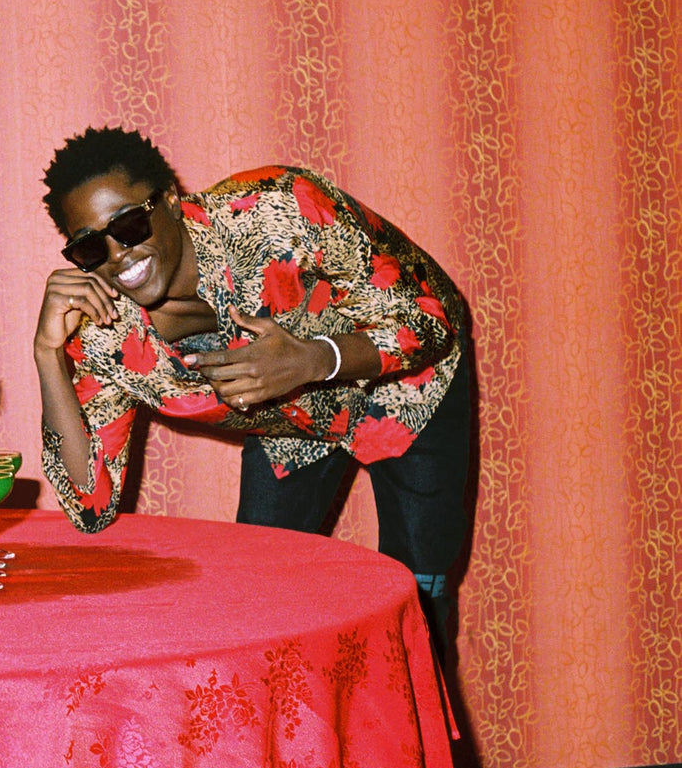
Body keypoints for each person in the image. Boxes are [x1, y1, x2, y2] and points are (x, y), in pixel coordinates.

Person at [34, 127, 472, 650]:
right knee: (259, 601)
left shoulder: (276, 209)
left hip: (408, 387)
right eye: (89, 246)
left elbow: (430, 319)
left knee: (419, 601)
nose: (118, 255)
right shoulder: (106, 336)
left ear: (171, 201)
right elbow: (90, 506)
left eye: (129, 224)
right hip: (292, 430)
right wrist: (47, 356)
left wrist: (312, 359)